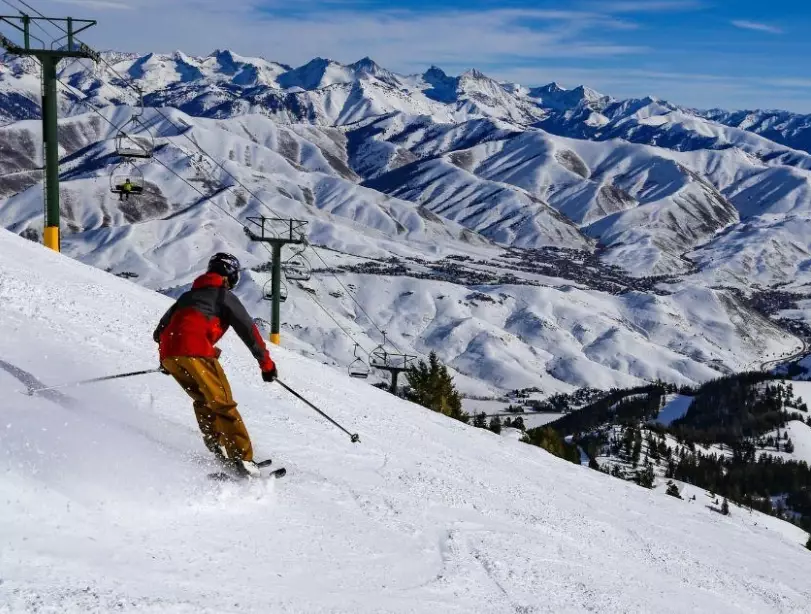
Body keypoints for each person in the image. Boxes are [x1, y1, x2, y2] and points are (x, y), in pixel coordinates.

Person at [153, 252, 277, 477]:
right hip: (196, 351)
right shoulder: (223, 296)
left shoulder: (187, 297)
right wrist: (266, 364)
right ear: (231, 276)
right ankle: (242, 460)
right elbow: (248, 330)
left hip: (170, 354)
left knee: (203, 400)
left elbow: (160, 330)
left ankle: (218, 449)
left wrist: (168, 360)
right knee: (222, 403)